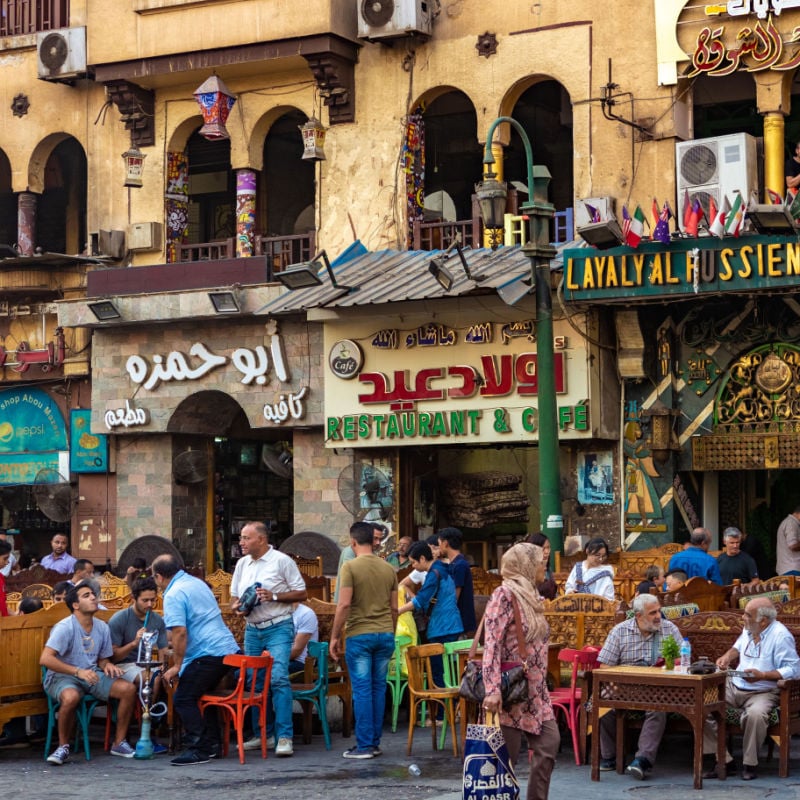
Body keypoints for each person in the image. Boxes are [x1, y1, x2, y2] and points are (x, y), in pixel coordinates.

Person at [482, 543, 559, 800]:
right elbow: (491, 644)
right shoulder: (504, 595)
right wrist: (492, 690)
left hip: (536, 689)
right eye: (540, 563)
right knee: (505, 761)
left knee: (549, 744)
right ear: (525, 566)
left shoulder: (533, 596)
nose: (544, 568)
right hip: (510, 690)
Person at [153, 554, 239, 766]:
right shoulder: (196, 583)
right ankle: (212, 744)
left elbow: (180, 632)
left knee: (183, 698)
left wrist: (177, 666)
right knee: (201, 695)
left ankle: (199, 748)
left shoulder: (173, 593)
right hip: (226, 649)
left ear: (158, 577)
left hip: (208, 652)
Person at [230, 520, 307, 757]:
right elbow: (235, 597)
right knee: (254, 680)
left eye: (245, 538)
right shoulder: (242, 563)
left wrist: (273, 595)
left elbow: (302, 592)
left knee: (278, 678)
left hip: (279, 627)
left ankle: (285, 737)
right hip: (252, 628)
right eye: (241, 538)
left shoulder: (282, 561)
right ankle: (262, 734)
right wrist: (239, 607)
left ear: (261, 539)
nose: (241, 542)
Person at [40, 580, 138, 764]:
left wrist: (107, 664)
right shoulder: (65, 627)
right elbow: (45, 659)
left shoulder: (101, 627)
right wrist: (77, 672)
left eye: (93, 594)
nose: (93, 597)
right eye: (86, 596)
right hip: (62, 676)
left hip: (91, 674)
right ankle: (63, 747)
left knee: (128, 689)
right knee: (71, 697)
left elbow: (103, 658)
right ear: (75, 605)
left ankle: (119, 743)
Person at [703, 597, 800, 780]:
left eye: (747, 615)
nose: (743, 618)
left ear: (763, 620)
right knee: (704, 706)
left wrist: (762, 676)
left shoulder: (781, 635)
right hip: (735, 685)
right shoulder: (750, 628)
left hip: (763, 690)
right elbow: (737, 647)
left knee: (755, 715)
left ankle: (750, 764)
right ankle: (724, 760)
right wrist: (727, 657)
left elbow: (794, 670)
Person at [330, 520, 397, 760]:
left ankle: (365, 745)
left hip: (360, 634)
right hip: (386, 634)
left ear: (353, 542)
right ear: (374, 540)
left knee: (362, 690)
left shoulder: (350, 567)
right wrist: (391, 631)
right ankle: (374, 742)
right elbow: (394, 608)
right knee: (378, 688)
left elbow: (344, 603)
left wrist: (335, 635)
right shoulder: (389, 568)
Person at [597, 593, 683, 780]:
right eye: (652, 613)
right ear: (638, 615)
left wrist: (669, 663)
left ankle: (643, 760)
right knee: (603, 702)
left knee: (658, 708)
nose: (658, 616)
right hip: (625, 686)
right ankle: (609, 756)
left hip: (658, 688)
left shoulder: (669, 629)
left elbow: (682, 661)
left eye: (659, 611)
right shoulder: (620, 631)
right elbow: (604, 665)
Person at [108, 576, 169, 755]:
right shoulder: (119, 619)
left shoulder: (157, 620)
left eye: (153, 600)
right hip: (124, 665)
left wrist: (169, 668)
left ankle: (162, 730)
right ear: (133, 598)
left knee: (166, 679)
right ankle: (146, 735)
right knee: (152, 680)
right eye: (145, 600)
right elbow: (112, 656)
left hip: (148, 664)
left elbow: (164, 650)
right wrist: (134, 643)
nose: (150, 604)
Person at [398, 541, 463, 690]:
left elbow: (421, 600)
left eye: (413, 562)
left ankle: (443, 712)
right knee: (451, 672)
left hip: (441, 627)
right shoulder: (444, 568)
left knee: (439, 674)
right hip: (452, 625)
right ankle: (452, 709)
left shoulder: (434, 574)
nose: (413, 566)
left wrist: (398, 611)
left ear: (422, 559)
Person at [437, 527, 476, 636]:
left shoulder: (460, 565)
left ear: (445, 543)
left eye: (439, 543)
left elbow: (454, 596)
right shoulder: (454, 564)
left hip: (459, 622)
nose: (439, 547)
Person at [334, 522, 385, 601]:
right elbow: (352, 575)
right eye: (375, 538)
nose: (378, 542)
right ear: (367, 536)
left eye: (380, 539)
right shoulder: (350, 551)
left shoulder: (373, 553)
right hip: (349, 604)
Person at [526, 532, 557, 600]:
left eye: (548, 548)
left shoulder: (548, 569)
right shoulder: (527, 571)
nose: (547, 551)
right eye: (543, 549)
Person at [775, 506, 800, 576]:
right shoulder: (791, 524)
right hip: (792, 569)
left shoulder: (790, 522)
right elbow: (793, 545)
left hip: (790, 568)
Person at [0, 539, 11, 617]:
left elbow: (3, 605)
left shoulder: (1, 577)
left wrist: (17, 615)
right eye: (5, 558)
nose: (7, 562)